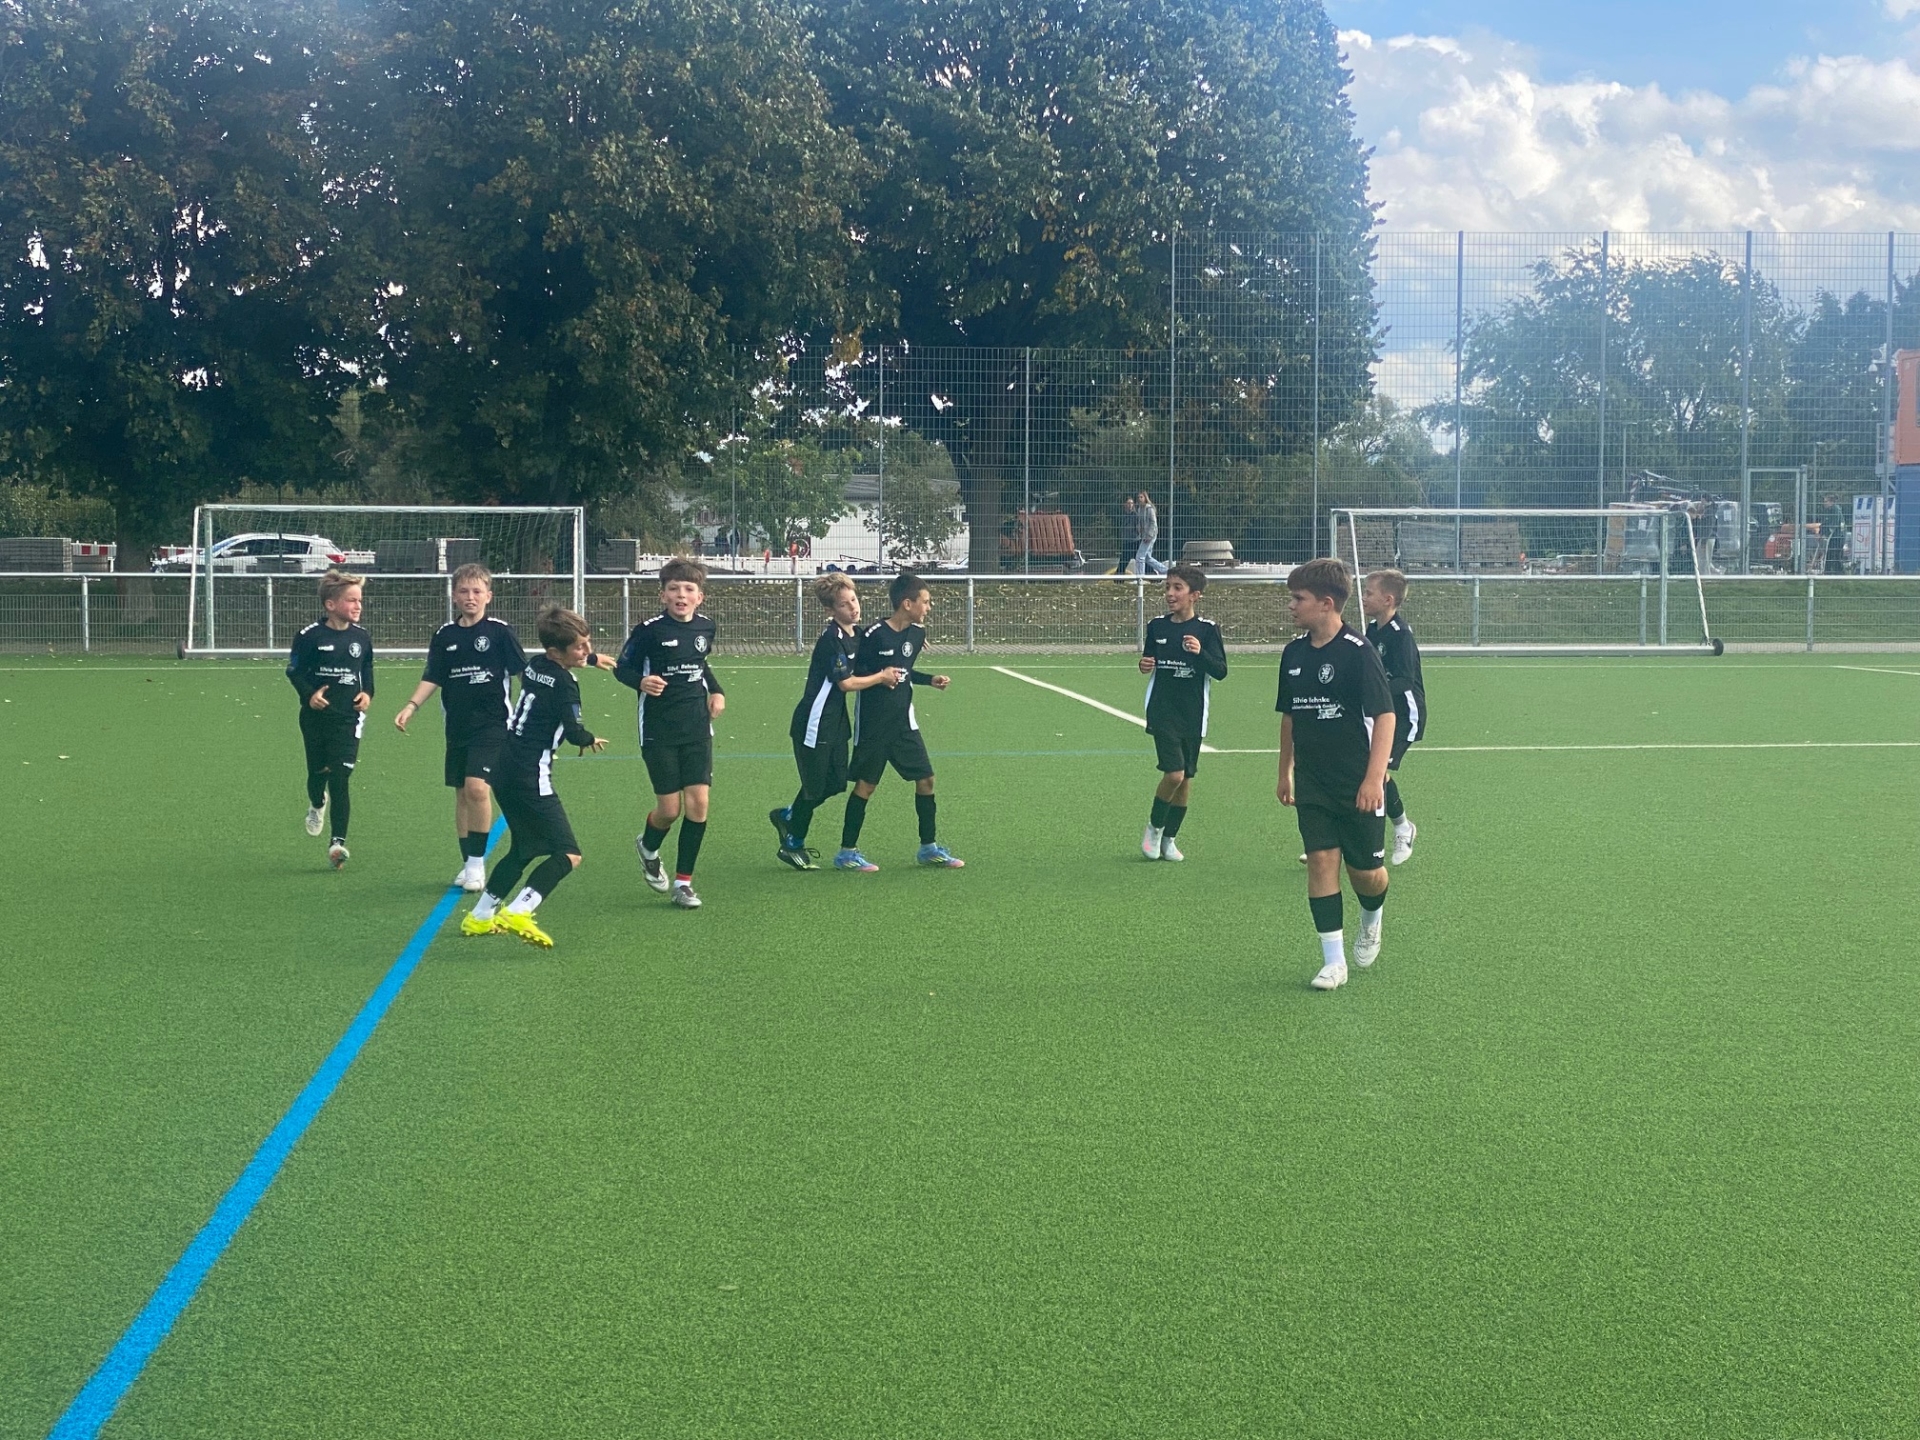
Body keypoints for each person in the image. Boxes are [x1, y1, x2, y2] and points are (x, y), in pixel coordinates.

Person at [1276, 558, 1396, 992]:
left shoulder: (1358, 652)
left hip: (1356, 781)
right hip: (1313, 781)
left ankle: (1372, 916)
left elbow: (1385, 717)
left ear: (1326, 603)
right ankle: (1333, 962)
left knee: (1366, 873)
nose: (1291, 605)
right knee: (1322, 861)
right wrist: (1285, 771)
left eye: (1299, 598)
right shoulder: (1293, 654)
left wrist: (1374, 778)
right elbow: (1289, 717)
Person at [461, 606, 608, 947]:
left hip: (503, 768)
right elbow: (574, 732)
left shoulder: (535, 666)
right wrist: (588, 739)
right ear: (557, 652)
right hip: (530, 773)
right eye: (580, 647)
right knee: (568, 854)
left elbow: (560, 667)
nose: (587, 651)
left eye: (587, 644)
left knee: (524, 848)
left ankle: (479, 916)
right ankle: (520, 909)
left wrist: (589, 659)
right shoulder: (565, 685)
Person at [393, 563, 528, 891]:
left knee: (477, 788)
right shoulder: (445, 636)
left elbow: (523, 673)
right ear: (454, 596)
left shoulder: (500, 632)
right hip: (457, 726)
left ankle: (477, 864)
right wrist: (411, 706)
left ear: (488, 596)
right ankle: (468, 862)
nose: (471, 597)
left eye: (477, 591)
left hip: (494, 724)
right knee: (462, 794)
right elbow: (433, 675)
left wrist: (535, 708)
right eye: (464, 591)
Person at [616, 557, 725, 909]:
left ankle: (683, 883)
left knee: (699, 804)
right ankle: (648, 847)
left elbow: (701, 665)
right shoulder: (649, 631)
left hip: (696, 725)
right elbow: (622, 668)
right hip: (658, 727)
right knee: (669, 809)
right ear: (663, 595)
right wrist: (641, 682)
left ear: (700, 597)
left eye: (689, 589)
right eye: (674, 589)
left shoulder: (706, 627)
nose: (681, 595)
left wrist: (717, 691)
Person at [836, 572, 963, 871]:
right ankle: (846, 853)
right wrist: (880, 678)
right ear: (907, 603)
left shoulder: (917, 634)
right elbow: (856, 674)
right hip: (874, 724)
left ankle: (928, 848)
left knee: (926, 779)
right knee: (866, 786)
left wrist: (929, 679)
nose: (928, 607)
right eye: (925, 602)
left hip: (904, 723)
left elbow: (903, 670)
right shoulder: (874, 635)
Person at [771, 575, 899, 869]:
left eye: (854, 600)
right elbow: (845, 683)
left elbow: (883, 638)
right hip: (814, 722)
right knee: (815, 788)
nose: (853, 607)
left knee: (837, 783)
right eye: (844, 604)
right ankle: (793, 843)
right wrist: (881, 677)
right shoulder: (831, 640)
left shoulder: (857, 634)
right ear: (830, 610)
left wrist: (912, 637)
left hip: (837, 722)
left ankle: (789, 815)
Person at [1138, 562, 1227, 862]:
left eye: (1178, 588)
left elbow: (1220, 670)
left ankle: (1169, 839)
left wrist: (1200, 653)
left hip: (1192, 713)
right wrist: (1144, 664)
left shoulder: (1207, 630)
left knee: (1186, 778)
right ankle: (1154, 828)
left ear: (1195, 595)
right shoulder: (1157, 626)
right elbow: (1149, 659)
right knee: (1174, 773)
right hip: (1163, 710)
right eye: (1168, 587)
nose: (1170, 593)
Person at [286, 569, 374, 870]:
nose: (358, 605)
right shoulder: (310, 636)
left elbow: (367, 670)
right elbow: (294, 672)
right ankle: (317, 802)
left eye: (360, 600)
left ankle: (337, 843)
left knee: (340, 776)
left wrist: (367, 694)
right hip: (315, 719)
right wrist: (310, 694)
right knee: (317, 774)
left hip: (348, 719)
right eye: (352, 600)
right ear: (331, 604)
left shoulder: (361, 637)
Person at [1361, 568, 1426, 865]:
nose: (1363, 598)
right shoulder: (1372, 630)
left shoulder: (1401, 636)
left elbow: (1405, 680)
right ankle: (1344, 841)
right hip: (1378, 713)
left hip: (1404, 716)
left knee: (1376, 772)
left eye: (1369, 593)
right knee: (1365, 770)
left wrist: (1373, 689)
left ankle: (1401, 827)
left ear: (1387, 600)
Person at [1132, 491, 1167, 576]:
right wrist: (1139, 530)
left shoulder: (1149, 509)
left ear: (1145, 498)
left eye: (1141, 497)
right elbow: (1140, 522)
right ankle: (1165, 571)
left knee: (1139, 556)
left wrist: (1149, 535)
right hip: (1144, 536)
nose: (1139, 499)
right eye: (1138, 497)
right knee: (1148, 558)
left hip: (1150, 536)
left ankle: (1140, 577)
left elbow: (1153, 523)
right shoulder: (1139, 509)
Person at [1110, 494, 1138, 576]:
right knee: (1125, 559)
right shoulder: (1123, 515)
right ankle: (1119, 577)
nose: (1130, 505)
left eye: (1132, 503)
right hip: (1126, 541)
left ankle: (1118, 577)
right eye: (1128, 503)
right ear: (1124, 504)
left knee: (1132, 559)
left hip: (1135, 540)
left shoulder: (1136, 515)